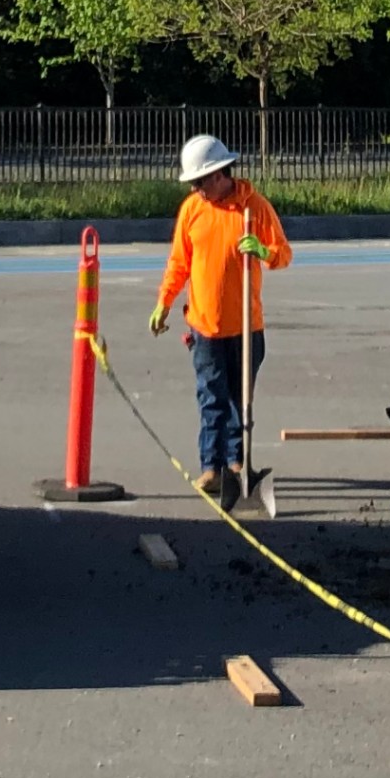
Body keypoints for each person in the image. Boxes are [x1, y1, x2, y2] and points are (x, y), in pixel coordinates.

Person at [149, 134, 293, 506]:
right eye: (193, 183)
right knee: (211, 398)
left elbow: (283, 253)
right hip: (205, 326)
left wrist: (262, 251)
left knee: (239, 400)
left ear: (219, 174)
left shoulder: (253, 208)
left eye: (200, 181)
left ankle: (236, 465)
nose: (195, 189)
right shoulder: (192, 210)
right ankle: (211, 467)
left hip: (246, 327)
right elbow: (179, 263)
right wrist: (164, 302)